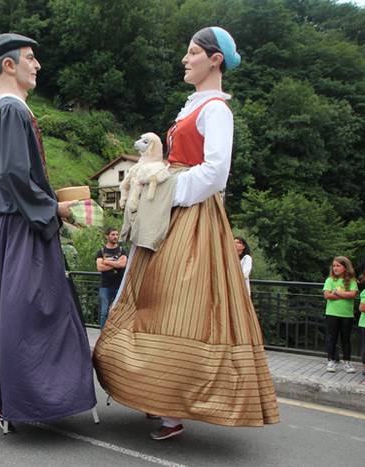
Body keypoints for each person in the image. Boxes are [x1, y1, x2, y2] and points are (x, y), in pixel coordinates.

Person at [93, 27, 279, 440]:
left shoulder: (217, 110)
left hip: (192, 214)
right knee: (150, 295)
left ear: (215, 60)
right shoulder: (193, 107)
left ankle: (172, 406)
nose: (185, 58)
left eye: (193, 52)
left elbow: (216, 173)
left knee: (179, 300)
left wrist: (170, 190)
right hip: (171, 211)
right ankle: (154, 392)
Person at [0, 33, 97, 431]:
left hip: (21, 225)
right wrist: (55, 207)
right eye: (31, 58)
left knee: (24, 313)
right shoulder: (11, 110)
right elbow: (15, 176)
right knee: (30, 315)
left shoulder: (12, 109)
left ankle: (22, 397)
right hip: (22, 229)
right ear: (9, 65)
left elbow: (17, 178)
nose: (37, 65)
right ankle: (19, 397)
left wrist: (54, 206)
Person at [323, 256, 358, 373]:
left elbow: (353, 295)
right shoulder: (329, 280)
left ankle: (347, 362)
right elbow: (327, 296)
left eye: (338, 266)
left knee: (346, 339)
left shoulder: (352, 281)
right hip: (332, 314)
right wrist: (344, 295)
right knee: (331, 338)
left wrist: (337, 292)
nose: (335, 268)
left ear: (345, 267)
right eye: (334, 266)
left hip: (347, 315)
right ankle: (331, 361)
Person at [96, 228, 127, 328]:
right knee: (104, 312)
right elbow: (99, 267)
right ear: (107, 236)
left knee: (119, 312)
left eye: (117, 235)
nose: (115, 237)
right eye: (113, 235)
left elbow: (123, 264)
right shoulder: (101, 251)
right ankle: (103, 334)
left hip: (120, 286)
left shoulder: (122, 250)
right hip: (105, 286)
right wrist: (116, 263)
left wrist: (107, 261)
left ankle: (115, 334)